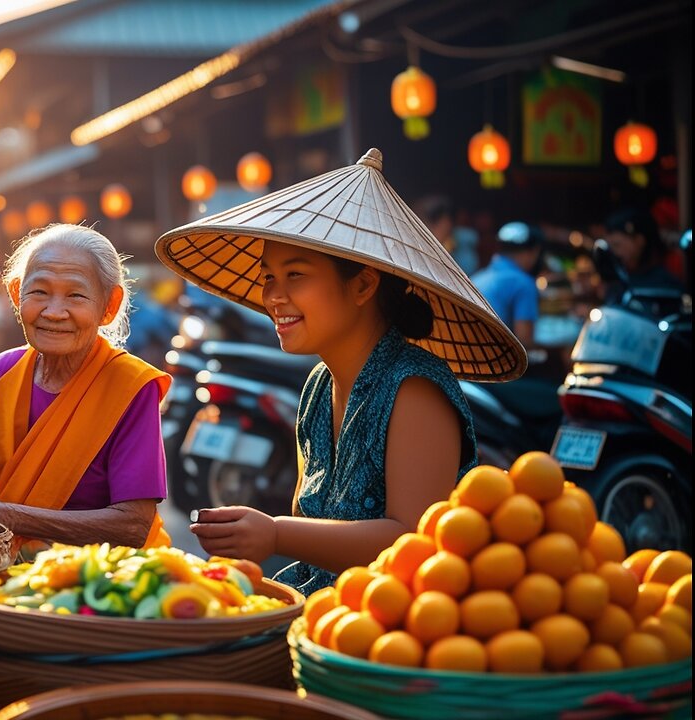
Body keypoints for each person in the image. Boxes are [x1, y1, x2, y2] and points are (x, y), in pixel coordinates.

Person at [156, 149, 525, 595]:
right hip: (325, 612)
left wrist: (275, 534)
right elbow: (316, 534)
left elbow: (415, 542)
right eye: (269, 276)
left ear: (364, 285)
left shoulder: (415, 389)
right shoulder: (316, 387)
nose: (273, 296)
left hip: (400, 630)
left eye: (295, 274)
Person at [0, 224, 172, 549]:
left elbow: (132, 524)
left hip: (112, 579)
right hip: (20, 570)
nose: (53, 312)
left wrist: (10, 516)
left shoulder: (130, 386)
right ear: (15, 293)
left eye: (76, 295)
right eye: (39, 292)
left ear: (109, 305)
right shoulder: (3, 372)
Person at [471, 222, 544, 348]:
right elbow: (524, 340)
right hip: (495, 361)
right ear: (533, 252)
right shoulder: (524, 283)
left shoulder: (475, 278)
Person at [603, 207, 682, 298]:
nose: (614, 252)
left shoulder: (665, 285)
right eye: (610, 246)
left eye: (617, 245)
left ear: (639, 241)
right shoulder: (618, 282)